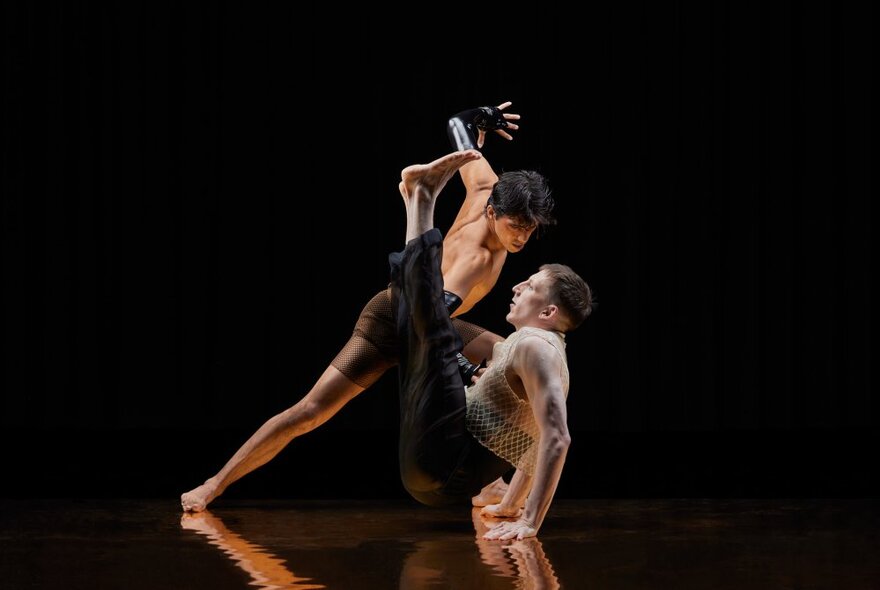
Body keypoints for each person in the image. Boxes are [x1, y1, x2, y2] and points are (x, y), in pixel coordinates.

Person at [181, 101, 556, 512]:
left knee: (514, 360)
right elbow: (425, 318)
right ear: (492, 212)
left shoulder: (487, 184)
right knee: (309, 411)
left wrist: (483, 115)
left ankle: (488, 483)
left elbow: (457, 125)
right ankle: (213, 484)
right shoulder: (475, 260)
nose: (521, 237)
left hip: (435, 323)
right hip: (395, 318)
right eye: (515, 226)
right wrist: (466, 370)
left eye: (530, 228)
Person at [391, 149, 593, 540]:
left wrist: (530, 521)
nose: (518, 286)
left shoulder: (536, 346)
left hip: (444, 462)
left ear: (549, 312)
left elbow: (557, 438)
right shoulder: (536, 347)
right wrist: (508, 504)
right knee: (415, 328)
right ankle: (417, 198)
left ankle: (422, 199)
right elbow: (535, 442)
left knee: (427, 327)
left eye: (531, 286)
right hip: (432, 469)